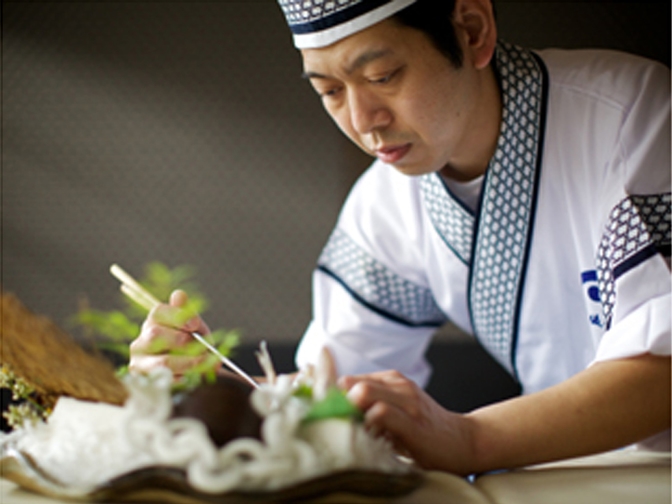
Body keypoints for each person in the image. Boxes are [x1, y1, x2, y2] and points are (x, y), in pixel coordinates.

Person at [130, 0, 671, 475]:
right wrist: (205, 391)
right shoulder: (385, 203)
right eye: (330, 91)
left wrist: (471, 439)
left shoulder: (637, 117)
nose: (364, 121)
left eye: (383, 75)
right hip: (561, 480)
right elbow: (336, 393)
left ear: (473, 29)